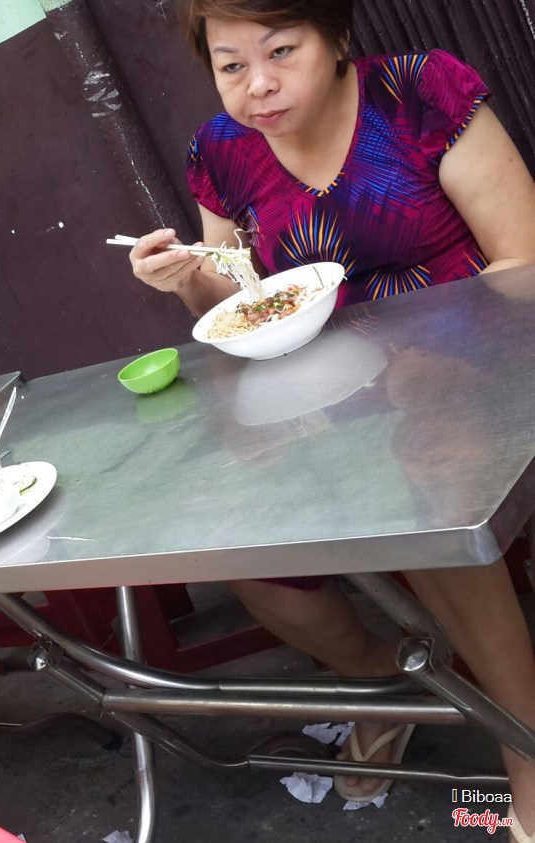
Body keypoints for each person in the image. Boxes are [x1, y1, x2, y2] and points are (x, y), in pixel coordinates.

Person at [128, 0, 535, 825]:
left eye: (281, 51)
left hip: (486, 358)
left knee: (427, 483)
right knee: (243, 543)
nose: (258, 85)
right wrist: (187, 280)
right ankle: (393, 676)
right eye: (232, 65)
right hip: (335, 390)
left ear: (337, 36)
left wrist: (443, 361)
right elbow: (237, 301)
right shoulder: (222, 151)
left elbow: (524, 259)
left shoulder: (421, 93)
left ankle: (523, 745)